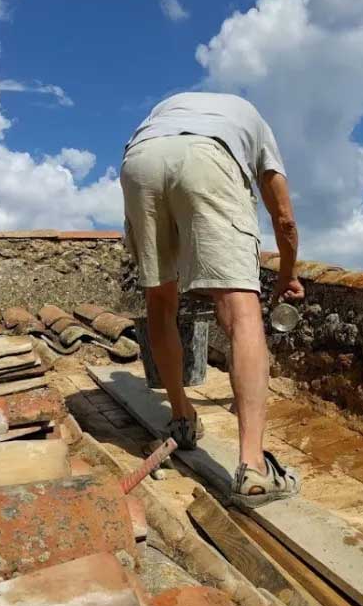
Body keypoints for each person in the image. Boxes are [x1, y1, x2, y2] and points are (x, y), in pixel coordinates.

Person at [121, 92, 304, 508]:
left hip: (139, 163)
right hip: (210, 158)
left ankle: (182, 420)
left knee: (161, 304)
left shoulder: (165, 108)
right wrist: (289, 274)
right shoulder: (254, 122)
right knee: (242, 313)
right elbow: (285, 220)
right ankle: (254, 467)